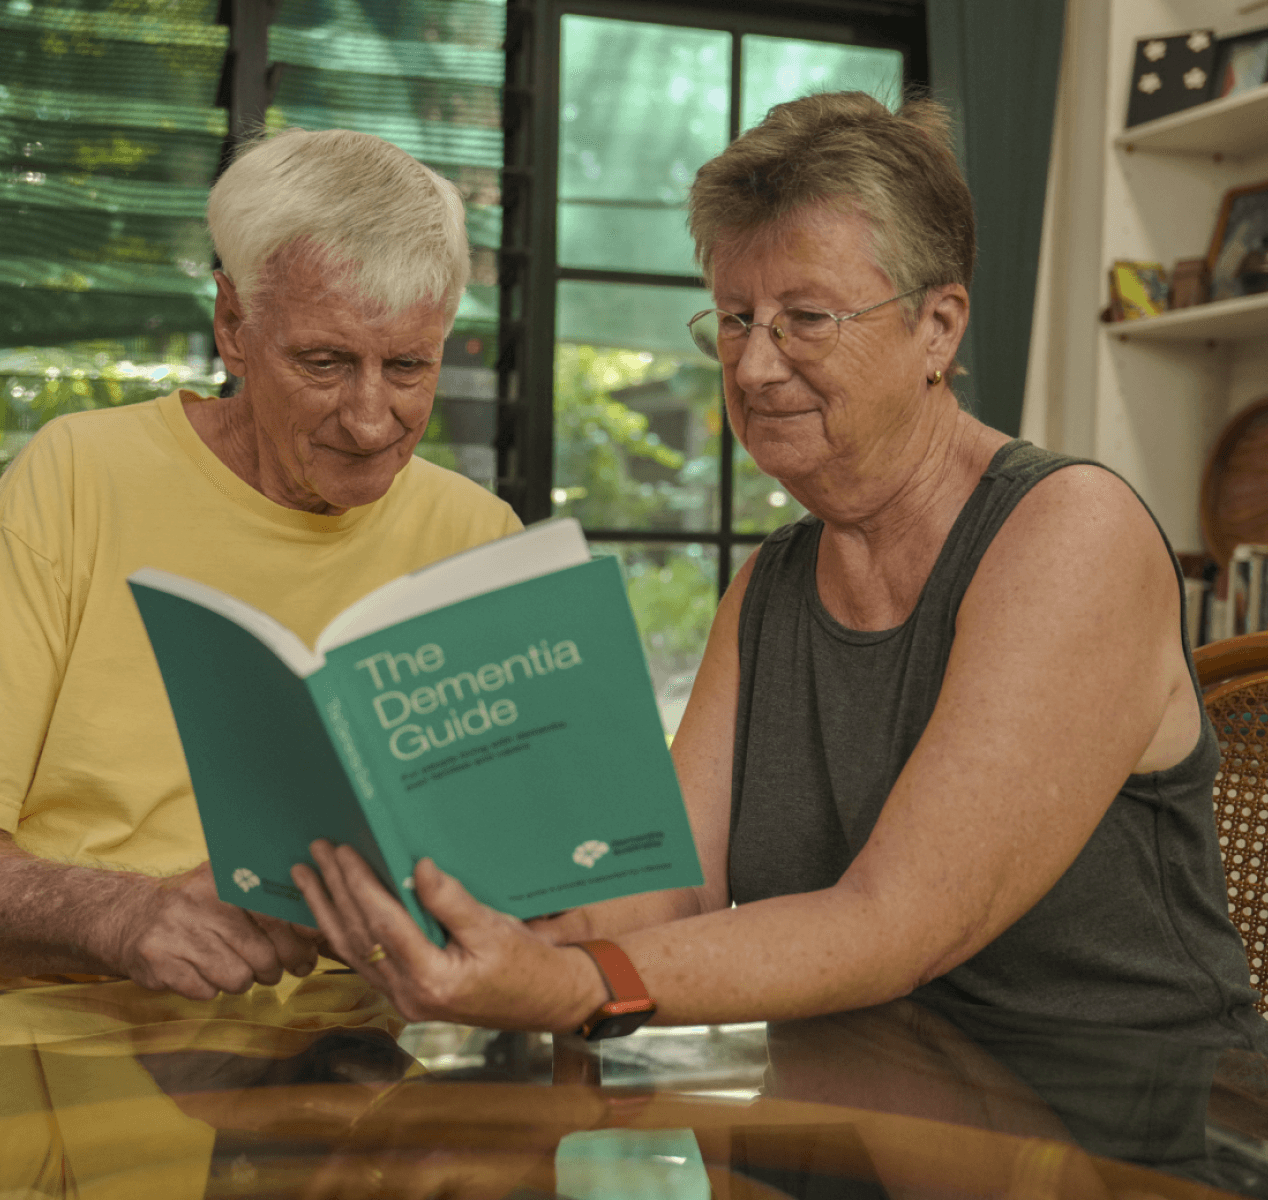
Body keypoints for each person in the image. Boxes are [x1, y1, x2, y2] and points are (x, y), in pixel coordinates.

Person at [293, 92, 1268, 1053]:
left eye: (804, 317)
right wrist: (485, 924)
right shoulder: (768, 588)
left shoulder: (1069, 533)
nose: (754, 367)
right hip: (858, 1115)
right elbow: (671, 885)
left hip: (1126, 1126)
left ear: (938, 327)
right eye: (733, 318)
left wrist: (571, 985)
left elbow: (900, 924)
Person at [0, 129, 520, 1001]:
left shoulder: (478, 538)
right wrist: (124, 919)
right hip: (51, 1042)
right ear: (233, 325)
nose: (370, 419)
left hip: (337, 1074)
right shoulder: (78, 478)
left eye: (408, 366)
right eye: (323, 362)